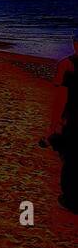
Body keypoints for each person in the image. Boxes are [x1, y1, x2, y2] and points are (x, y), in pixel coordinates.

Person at [45, 34, 78, 214]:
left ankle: (71, 200)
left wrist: (54, 124)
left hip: (72, 120)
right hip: (72, 119)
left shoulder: (67, 65)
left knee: (70, 159)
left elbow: (61, 98)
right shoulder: (67, 65)